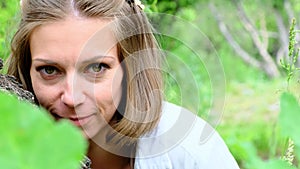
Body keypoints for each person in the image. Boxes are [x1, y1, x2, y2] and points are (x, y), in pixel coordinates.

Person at [6, 0, 240, 168]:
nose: (72, 97)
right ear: (27, 70)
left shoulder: (190, 152)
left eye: (96, 68)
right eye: (49, 70)